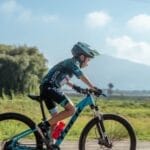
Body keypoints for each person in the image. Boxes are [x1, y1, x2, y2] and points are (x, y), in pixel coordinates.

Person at [39, 41, 102, 138]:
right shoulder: (73, 63)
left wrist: (78, 88)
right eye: (88, 59)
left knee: (55, 120)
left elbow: (65, 80)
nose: (88, 63)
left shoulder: (70, 65)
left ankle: (50, 144)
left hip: (47, 88)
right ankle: (43, 127)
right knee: (71, 110)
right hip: (50, 88)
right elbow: (81, 75)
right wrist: (92, 88)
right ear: (82, 57)